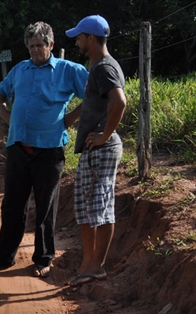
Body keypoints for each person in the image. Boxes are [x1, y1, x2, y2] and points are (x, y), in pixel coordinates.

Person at [0, 21, 88, 278]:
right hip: (19, 147)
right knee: (12, 204)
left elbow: (93, 95)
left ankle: (43, 258)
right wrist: (6, 116)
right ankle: (5, 256)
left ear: (51, 45)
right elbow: (0, 93)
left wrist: (69, 120)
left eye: (40, 45)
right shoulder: (19, 70)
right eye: (31, 46)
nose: (35, 50)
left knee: (45, 205)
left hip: (49, 150)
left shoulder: (68, 70)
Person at [64, 15, 127, 287]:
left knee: (100, 207)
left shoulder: (103, 67)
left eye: (79, 37)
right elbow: (98, 102)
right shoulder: (97, 67)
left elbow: (119, 101)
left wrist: (105, 135)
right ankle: (87, 265)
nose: (76, 41)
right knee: (87, 208)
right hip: (93, 150)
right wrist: (70, 119)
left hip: (101, 149)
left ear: (91, 38)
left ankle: (96, 266)